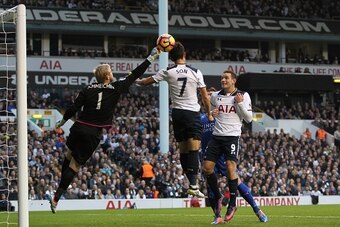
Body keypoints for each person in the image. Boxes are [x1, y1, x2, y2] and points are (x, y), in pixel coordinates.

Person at [48, 47, 161, 213]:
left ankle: (60, 186)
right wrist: (151, 58)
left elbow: (73, 107)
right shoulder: (116, 87)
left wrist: (62, 121)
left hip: (78, 127)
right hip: (93, 132)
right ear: (107, 76)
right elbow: (135, 74)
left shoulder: (87, 89)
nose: (112, 72)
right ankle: (57, 197)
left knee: (68, 155)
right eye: (111, 71)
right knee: (74, 166)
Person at [136, 42, 213, 198]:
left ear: (171, 57)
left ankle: (190, 182)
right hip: (192, 113)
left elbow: (145, 82)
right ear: (184, 55)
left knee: (183, 149)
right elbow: (205, 96)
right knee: (194, 148)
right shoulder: (195, 72)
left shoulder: (168, 71)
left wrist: (133, 79)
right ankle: (193, 185)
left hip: (177, 113)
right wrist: (209, 113)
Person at [200, 87, 268, 224]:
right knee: (210, 188)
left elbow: (240, 121)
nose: (207, 97)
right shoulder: (201, 119)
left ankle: (257, 210)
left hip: (222, 156)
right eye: (205, 96)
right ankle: (217, 216)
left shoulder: (221, 114)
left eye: (209, 95)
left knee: (238, 183)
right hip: (209, 155)